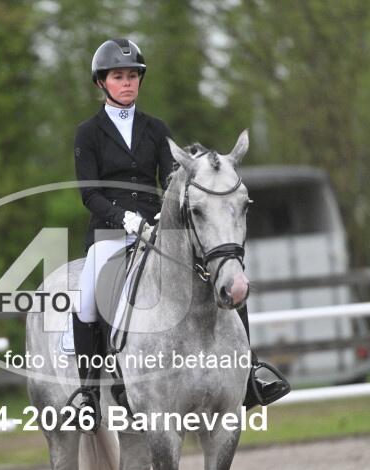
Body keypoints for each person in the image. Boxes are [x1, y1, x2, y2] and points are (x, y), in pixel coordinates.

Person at [71, 38, 288, 431]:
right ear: (101, 82)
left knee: (226, 275)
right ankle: (88, 392)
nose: (127, 83)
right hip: (111, 232)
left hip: (159, 229)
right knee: (88, 294)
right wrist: (125, 219)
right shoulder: (88, 133)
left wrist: (174, 201)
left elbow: (172, 179)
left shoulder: (155, 128)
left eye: (133, 76)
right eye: (118, 76)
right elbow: (90, 194)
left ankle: (248, 373)